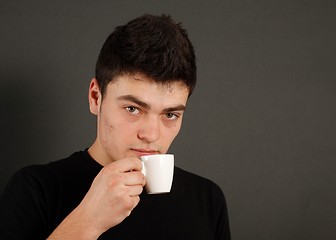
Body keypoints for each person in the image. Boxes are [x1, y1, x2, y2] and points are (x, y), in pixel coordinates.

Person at [0, 14, 231, 239]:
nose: (151, 135)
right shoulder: (35, 190)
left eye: (170, 114)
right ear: (95, 97)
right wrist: (88, 221)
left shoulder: (207, 198)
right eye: (133, 109)